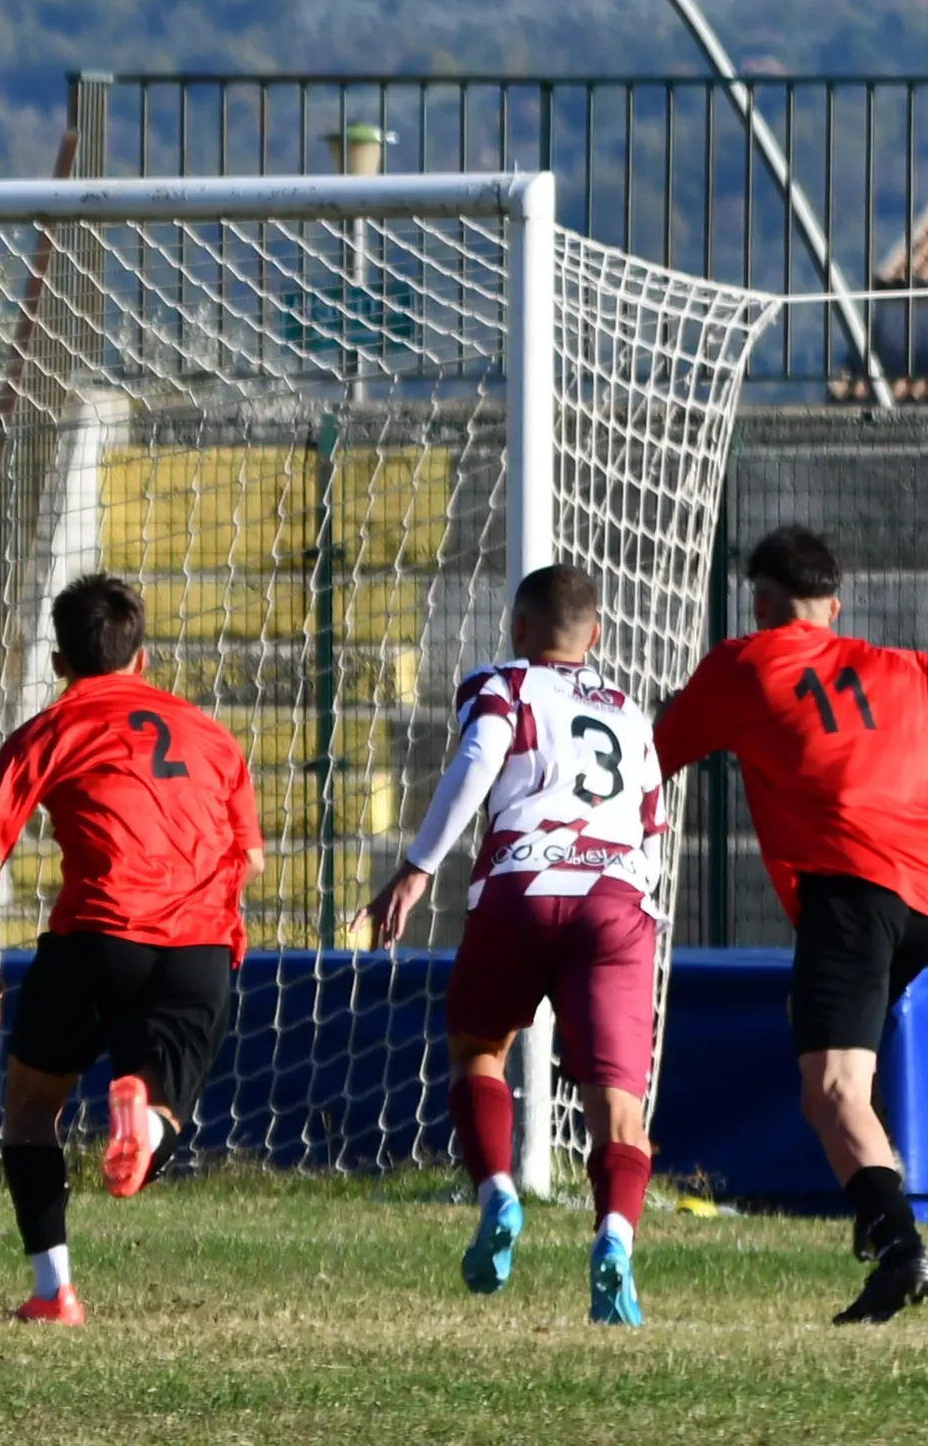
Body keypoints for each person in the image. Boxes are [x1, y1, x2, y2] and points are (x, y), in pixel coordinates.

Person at [651, 525, 928, 1327]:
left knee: (831, 1086)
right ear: (834, 606)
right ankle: (881, 1216)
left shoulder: (742, 662)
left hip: (852, 889)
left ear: (760, 605)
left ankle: (898, 1240)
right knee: (831, 1057)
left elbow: (647, 755)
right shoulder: (897, 667)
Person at [361, 564, 667, 1327]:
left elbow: (478, 759)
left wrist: (416, 869)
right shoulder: (630, 711)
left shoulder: (502, 683)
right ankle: (615, 1240)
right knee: (618, 1108)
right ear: (595, 636)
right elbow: (654, 826)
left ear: (518, 629)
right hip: (616, 900)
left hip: (521, 886)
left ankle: (496, 1190)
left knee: (478, 1049)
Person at [0, 573, 262, 1325]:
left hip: (96, 937)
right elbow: (250, 858)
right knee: (163, 1106)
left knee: (31, 1107)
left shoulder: (47, 729)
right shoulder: (211, 736)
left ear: (58, 663)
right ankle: (146, 1118)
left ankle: (53, 1289)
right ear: (144, 656)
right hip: (199, 945)